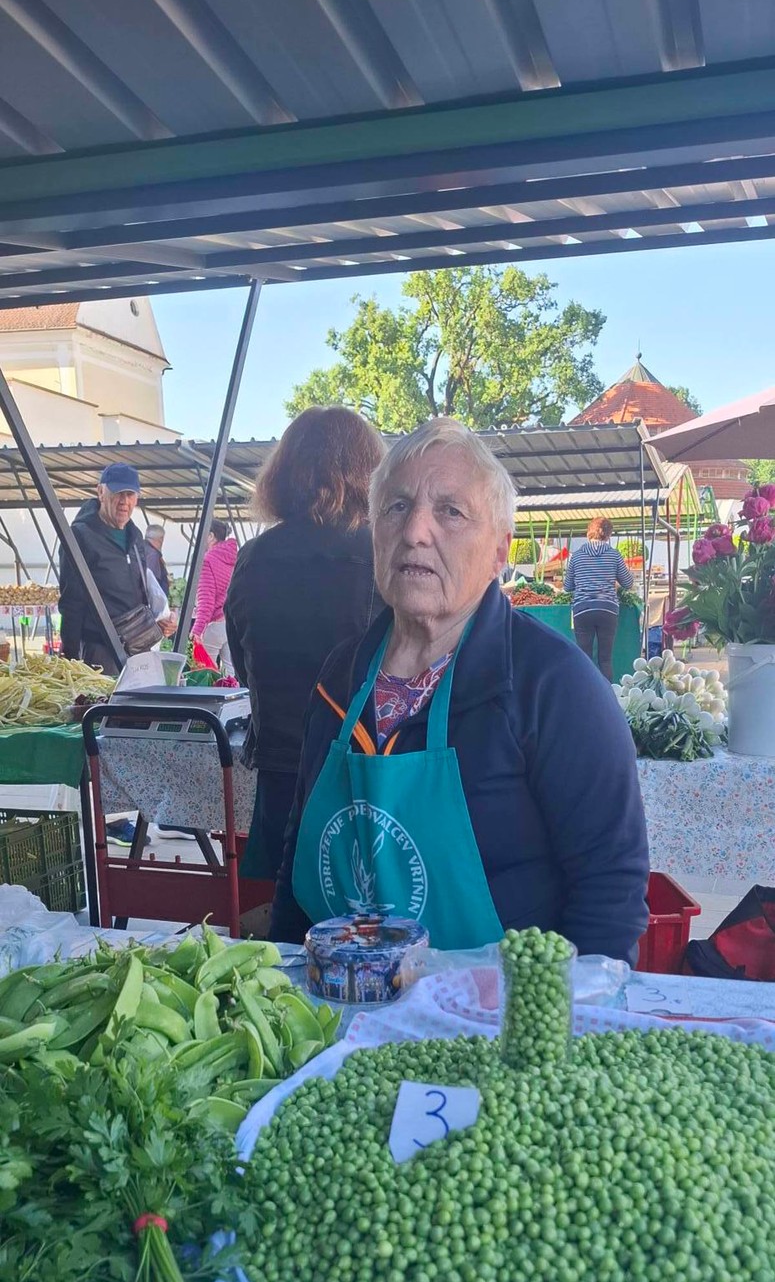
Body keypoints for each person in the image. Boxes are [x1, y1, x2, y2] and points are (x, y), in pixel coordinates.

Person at [270, 420, 649, 961]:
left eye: (451, 511)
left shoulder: (555, 684)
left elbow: (611, 894)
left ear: (500, 551)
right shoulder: (341, 676)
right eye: (397, 507)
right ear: (374, 531)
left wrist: (551, 1026)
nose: (416, 531)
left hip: (493, 1022)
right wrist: (279, 987)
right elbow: (298, 859)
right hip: (339, 1012)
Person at [226, 407, 385, 881]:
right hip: (364, 764)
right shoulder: (381, 552)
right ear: (369, 471)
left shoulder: (253, 557)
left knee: (287, 912)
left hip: (281, 765)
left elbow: (242, 657)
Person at [59, 462, 163, 675]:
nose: (124, 501)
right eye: (118, 493)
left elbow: (140, 592)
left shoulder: (135, 538)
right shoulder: (80, 536)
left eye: (130, 494)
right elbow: (71, 602)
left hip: (137, 647)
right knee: (106, 706)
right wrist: (70, 659)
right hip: (100, 651)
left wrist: (158, 619)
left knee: (138, 707)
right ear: (101, 492)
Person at [564, 516, 634, 681]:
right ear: (609, 535)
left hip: (582, 609)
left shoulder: (577, 556)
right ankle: (607, 699)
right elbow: (628, 583)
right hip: (607, 609)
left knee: (585, 659)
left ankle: (585, 698)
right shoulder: (614, 555)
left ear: (589, 532)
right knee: (605, 659)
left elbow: (567, 587)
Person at [192, 519, 239, 674]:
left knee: (205, 673)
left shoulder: (207, 561)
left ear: (211, 536)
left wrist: (197, 630)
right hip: (231, 624)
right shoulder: (234, 559)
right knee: (231, 674)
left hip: (214, 625)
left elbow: (206, 601)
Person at [143, 524, 171, 598]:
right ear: (160, 539)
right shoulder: (153, 555)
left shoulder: (141, 548)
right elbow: (152, 582)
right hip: (152, 601)